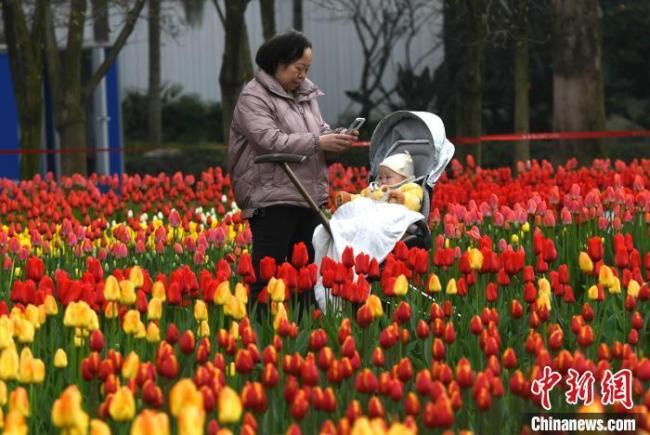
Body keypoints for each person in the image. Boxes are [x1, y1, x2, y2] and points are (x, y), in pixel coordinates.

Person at [227, 30, 358, 312]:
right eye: (299, 68)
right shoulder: (254, 96)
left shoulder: (305, 95)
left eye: (307, 69)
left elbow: (319, 133)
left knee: (306, 277)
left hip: (307, 196)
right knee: (267, 274)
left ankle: (305, 337)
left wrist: (336, 141)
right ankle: (259, 339)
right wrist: (318, 142)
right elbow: (268, 140)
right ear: (278, 62)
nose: (303, 75)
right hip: (272, 197)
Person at [334, 151, 424, 212]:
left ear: (404, 177)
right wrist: (350, 199)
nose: (383, 181)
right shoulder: (374, 189)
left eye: (388, 177)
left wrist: (402, 198)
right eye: (380, 177)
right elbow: (362, 198)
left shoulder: (409, 187)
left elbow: (415, 201)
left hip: (394, 220)